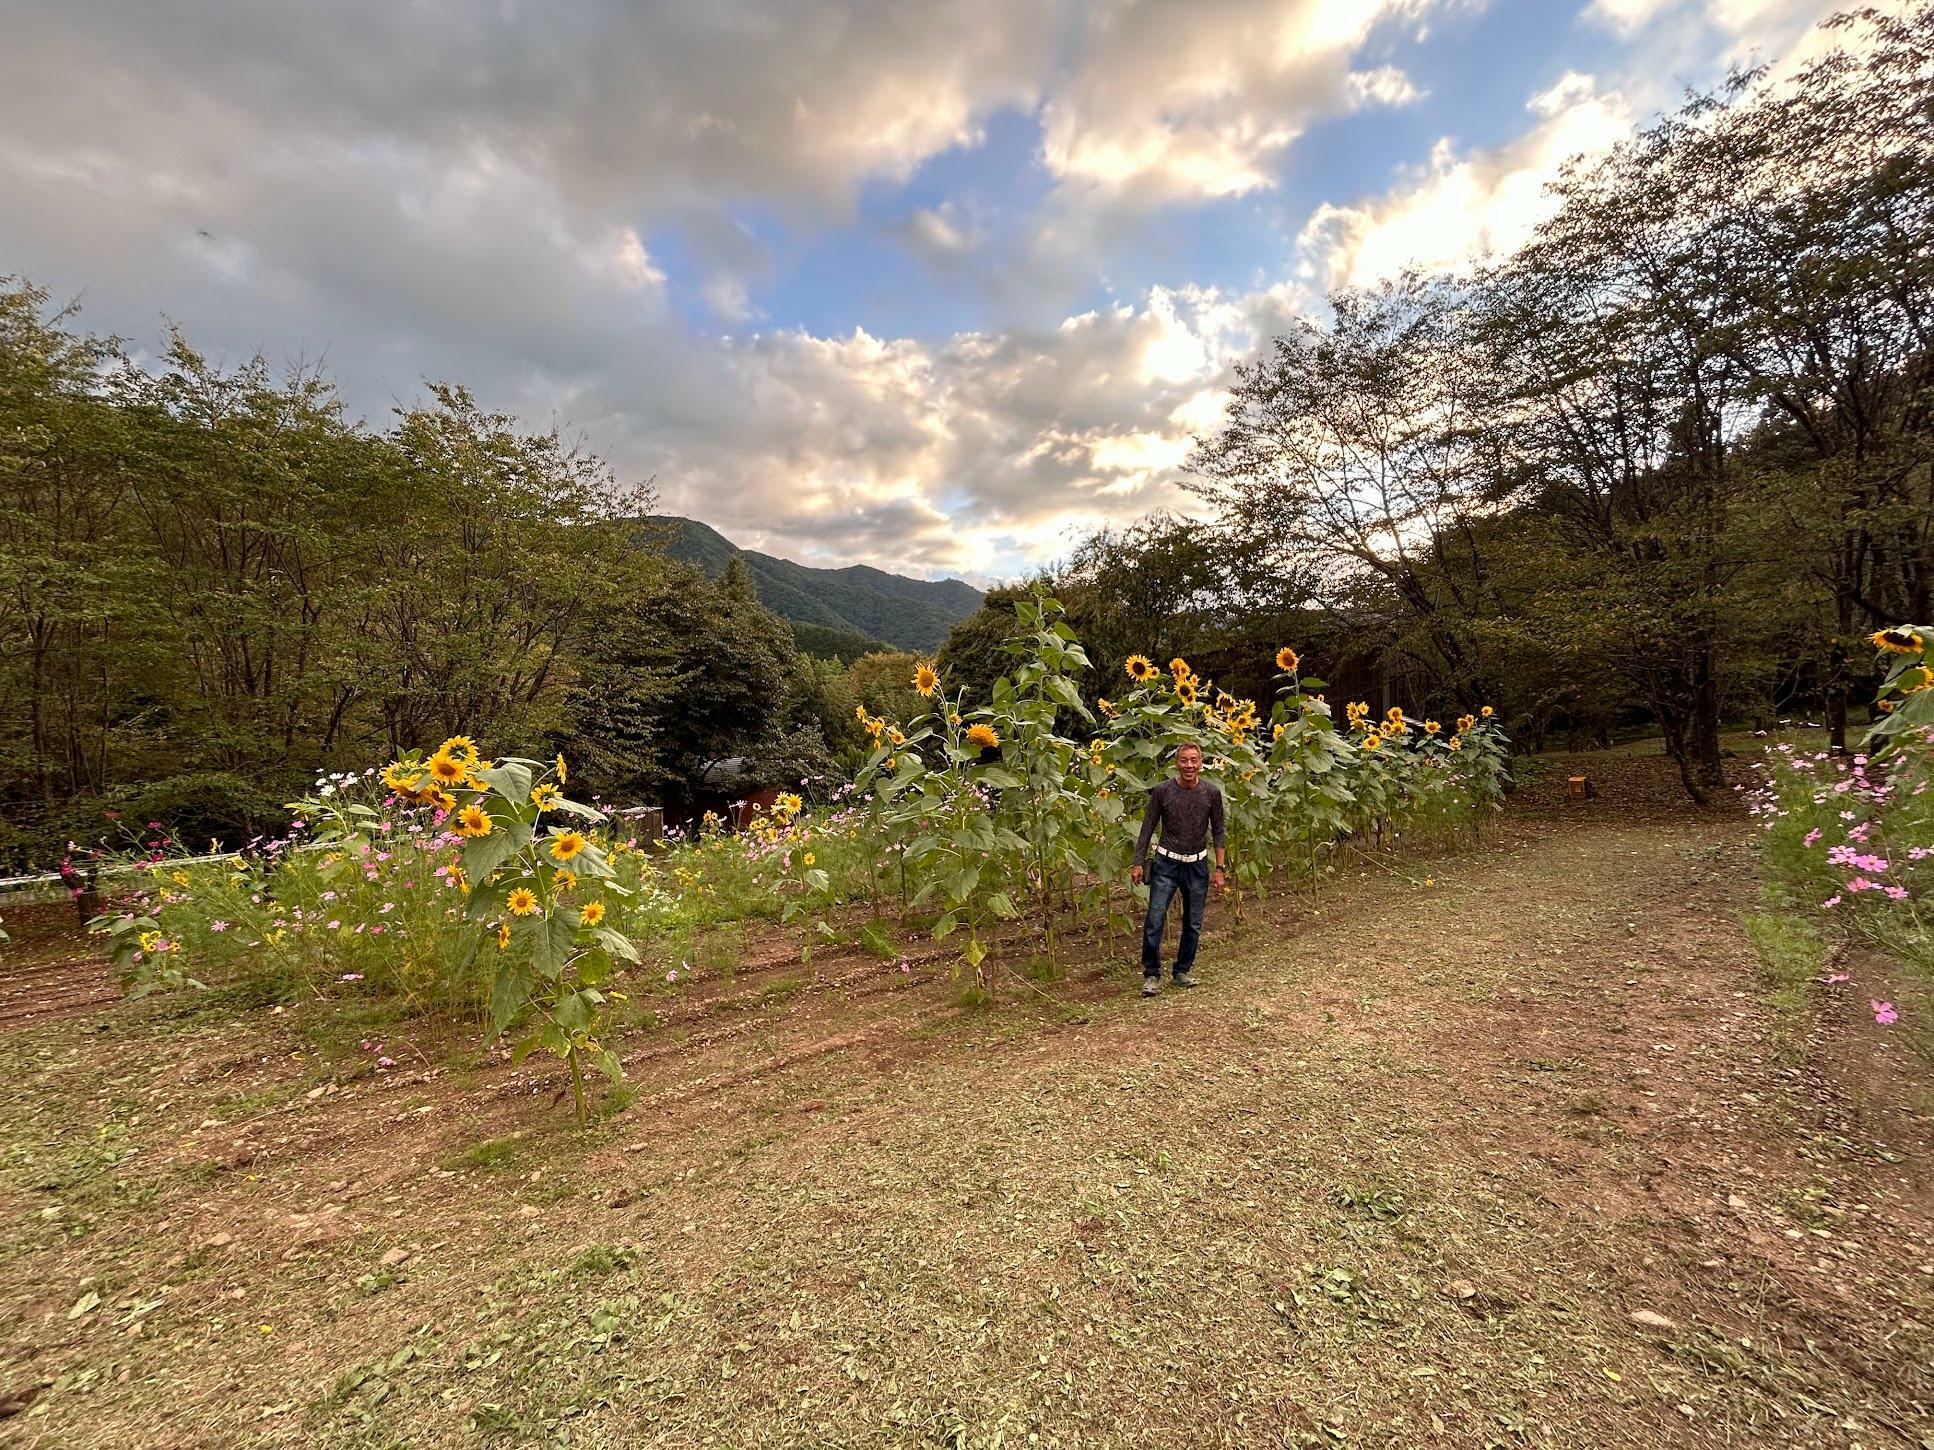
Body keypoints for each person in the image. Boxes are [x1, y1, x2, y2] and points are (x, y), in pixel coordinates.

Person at [1129, 741, 1225, 996]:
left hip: (1197, 865)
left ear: (1201, 763)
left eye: (1194, 760)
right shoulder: (1162, 791)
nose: (1189, 765)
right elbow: (1147, 827)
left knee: (1193, 923)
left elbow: (1218, 831)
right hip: (1166, 864)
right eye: (1184, 760)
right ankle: (1151, 974)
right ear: (1177, 763)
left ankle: (1182, 970)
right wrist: (1138, 862)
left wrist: (1220, 869)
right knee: (1155, 919)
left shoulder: (1211, 793)